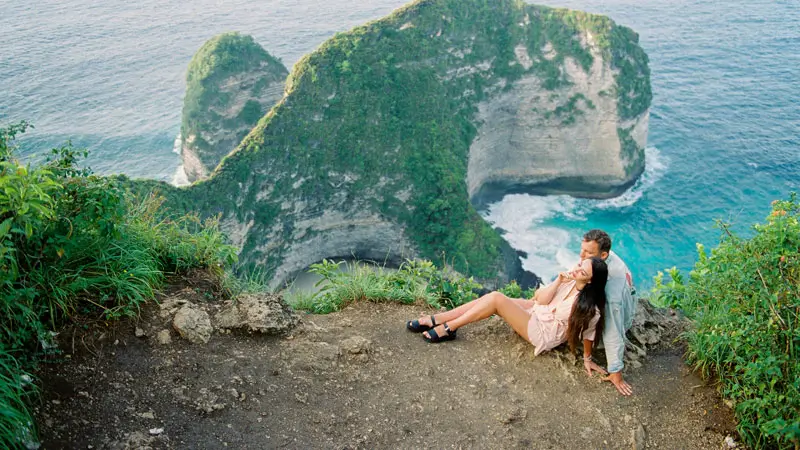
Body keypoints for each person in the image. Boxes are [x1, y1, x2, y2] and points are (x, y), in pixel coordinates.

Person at [406, 257, 609, 362]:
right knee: (490, 298)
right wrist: (559, 280)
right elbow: (542, 299)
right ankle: (438, 318)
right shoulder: (569, 281)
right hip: (537, 311)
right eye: (580, 263)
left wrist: (587, 358)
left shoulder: (589, 307)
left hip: (543, 332)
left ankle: (450, 328)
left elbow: (590, 332)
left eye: (582, 270)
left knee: (496, 299)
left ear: (590, 280)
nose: (577, 268)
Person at [578, 229, 636, 396]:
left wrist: (616, 372)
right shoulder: (602, 257)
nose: (582, 256)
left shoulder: (611, 293)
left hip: (619, 315)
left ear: (602, 255)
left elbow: (613, 331)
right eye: (582, 249)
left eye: (587, 253)